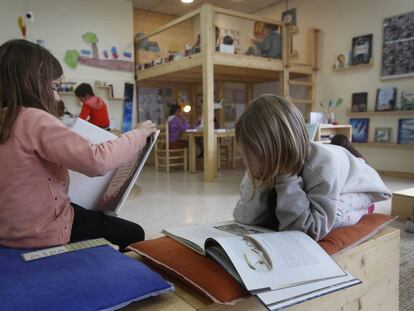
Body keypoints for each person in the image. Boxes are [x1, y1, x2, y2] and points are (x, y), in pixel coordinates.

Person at [0, 39, 157, 251]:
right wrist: (138, 134)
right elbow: (97, 160)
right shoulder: (33, 118)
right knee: (134, 232)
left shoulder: (7, 118)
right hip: (41, 231)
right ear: (32, 82)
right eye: (55, 87)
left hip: (10, 230)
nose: (56, 97)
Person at [233, 95, 391, 241]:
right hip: (310, 172)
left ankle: (364, 208)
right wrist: (261, 183)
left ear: (277, 153)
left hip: (357, 187)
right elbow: (243, 218)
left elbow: (310, 230)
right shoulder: (261, 161)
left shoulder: (323, 165)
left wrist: (285, 179)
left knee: (333, 216)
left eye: (252, 157)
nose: (246, 164)